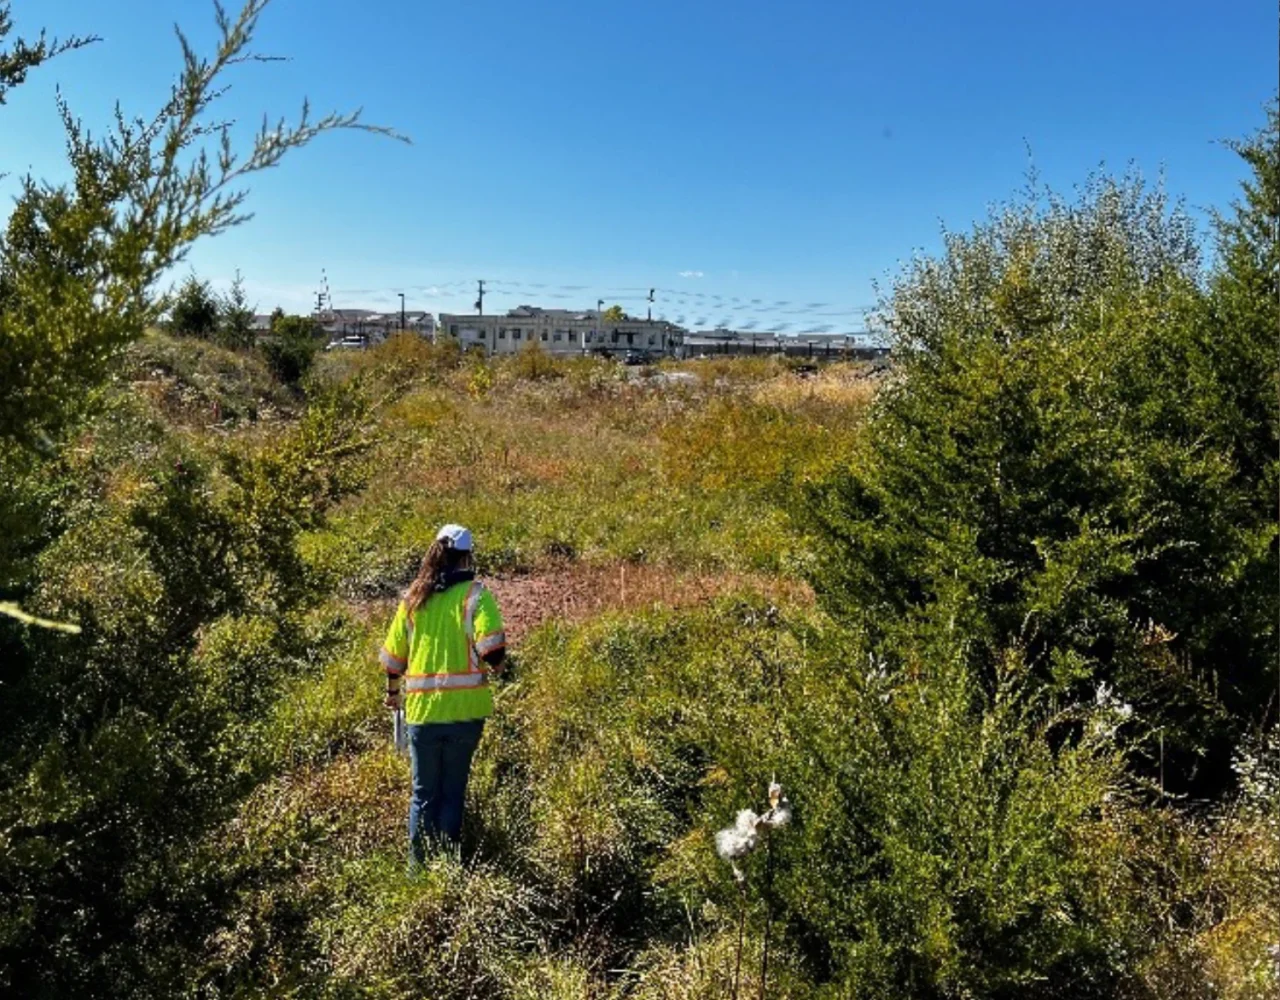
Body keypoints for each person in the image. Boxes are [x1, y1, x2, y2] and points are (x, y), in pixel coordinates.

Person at [380, 523, 506, 864]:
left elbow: (393, 661)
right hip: (465, 714)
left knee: (423, 795)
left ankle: (417, 871)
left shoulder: (411, 601)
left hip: (422, 715)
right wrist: (502, 667)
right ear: (466, 556)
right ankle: (448, 868)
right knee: (452, 794)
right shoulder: (476, 595)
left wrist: (393, 694)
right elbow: (492, 652)